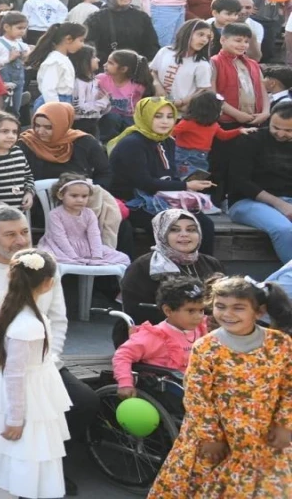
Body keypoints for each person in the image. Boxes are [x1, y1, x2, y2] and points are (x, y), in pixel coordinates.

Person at [0, 205, 97, 494]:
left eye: (24, 231)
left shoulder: (43, 265)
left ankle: (46, 466)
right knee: (7, 404)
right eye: (10, 234)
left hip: (37, 358)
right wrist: (0, 365)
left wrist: (47, 360)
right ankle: (4, 474)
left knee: (83, 401)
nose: (21, 240)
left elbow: (57, 319)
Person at [149, 276, 292, 498]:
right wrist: (211, 437)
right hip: (218, 437)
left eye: (238, 308)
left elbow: (288, 387)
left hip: (263, 436)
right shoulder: (206, 348)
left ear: (259, 312)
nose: (227, 314)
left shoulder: (280, 344)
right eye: (220, 306)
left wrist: (285, 424)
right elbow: (197, 397)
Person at [0, 248, 71, 499]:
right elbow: (15, 374)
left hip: (24, 393)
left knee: (13, 462)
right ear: (48, 283)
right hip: (27, 399)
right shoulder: (27, 324)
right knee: (22, 460)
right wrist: (16, 418)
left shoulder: (12, 312)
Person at [109, 97, 216, 253]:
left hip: (160, 198)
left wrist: (187, 188)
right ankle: (171, 265)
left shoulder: (167, 141)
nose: (165, 121)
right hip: (133, 202)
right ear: (145, 116)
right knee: (176, 226)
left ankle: (203, 266)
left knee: (204, 223)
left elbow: (169, 175)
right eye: (158, 116)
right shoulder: (132, 143)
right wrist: (185, 185)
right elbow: (145, 183)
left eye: (170, 116)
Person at [113, 275, 208, 398]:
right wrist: (125, 382)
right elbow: (123, 355)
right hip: (169, 389)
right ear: (168, 311)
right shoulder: (155, 336)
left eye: (201, 310)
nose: (198, 316)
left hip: (199, 383)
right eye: (191, 311)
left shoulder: (201, 328)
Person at [228, 103, 292, 267]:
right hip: (248, 201)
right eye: (275, 127)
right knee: (284, 230)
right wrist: (280, 204)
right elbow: (240, 181)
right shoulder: (250, 139)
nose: (280, 134)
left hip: (287, 200)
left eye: (288, 130)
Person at [37, 174, 131, 267]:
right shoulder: (55, 214)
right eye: (74, 196)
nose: (80, 200)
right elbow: (59, 238)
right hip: (60, 248)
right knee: (48, 258)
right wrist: (73, 257)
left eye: (84, 196)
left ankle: (91, 263)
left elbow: (94, 235)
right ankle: (76, 262)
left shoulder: (89, 214)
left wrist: (97, 256)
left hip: (85, 247)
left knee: (122, 258)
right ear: (61, 195)